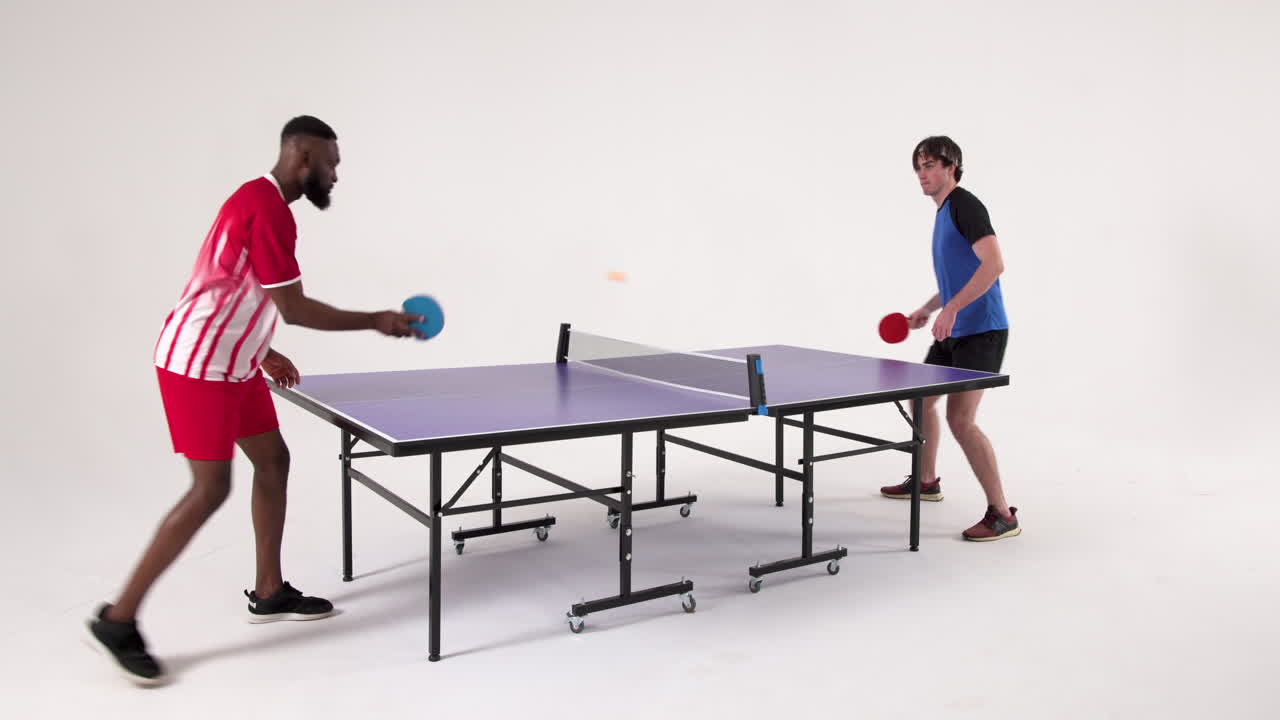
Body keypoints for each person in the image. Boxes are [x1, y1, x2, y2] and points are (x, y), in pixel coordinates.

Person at [85, 116, 424, 685]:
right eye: (331, 163)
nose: (336, 174)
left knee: (274, 461)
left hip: (235, 363)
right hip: (197, 366)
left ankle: (268, 592)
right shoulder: (266, 208)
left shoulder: (260, 202)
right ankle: (118, 620)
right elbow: (292, 305)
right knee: (209, 488)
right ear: (303, 156)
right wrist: (377, 320)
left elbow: (237, 285)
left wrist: (263, 351)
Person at [879, 136, 1019, 542]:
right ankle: (926, 482)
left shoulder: (965, 206)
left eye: (929, 166)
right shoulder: (943, 213)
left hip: (982, 331)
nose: (922, 175)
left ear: (951, 166)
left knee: (961, 419)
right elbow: (959, 275)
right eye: (918, 168)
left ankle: (1001, 513)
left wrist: (954, 308)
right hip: (954, 328)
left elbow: (994, 264)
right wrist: (930, 308)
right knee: (921, 399)